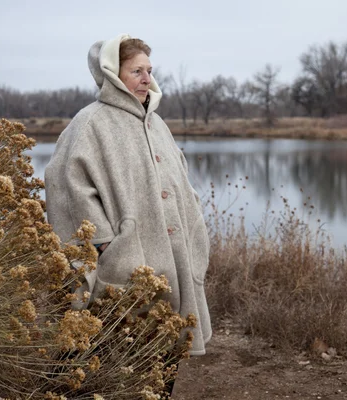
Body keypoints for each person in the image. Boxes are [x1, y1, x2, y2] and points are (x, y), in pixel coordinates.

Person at [44, 34, 211, 362]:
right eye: (137, 71)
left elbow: (179, 177)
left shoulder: (157, 123)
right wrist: (107, 243)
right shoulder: (91, 123)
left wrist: (194, 219)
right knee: (124, 359)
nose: (147, 79)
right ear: (111, 74)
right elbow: (66, 186)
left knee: (166, 356)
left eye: (149, 70)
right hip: (127, 267)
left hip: (174, 261)